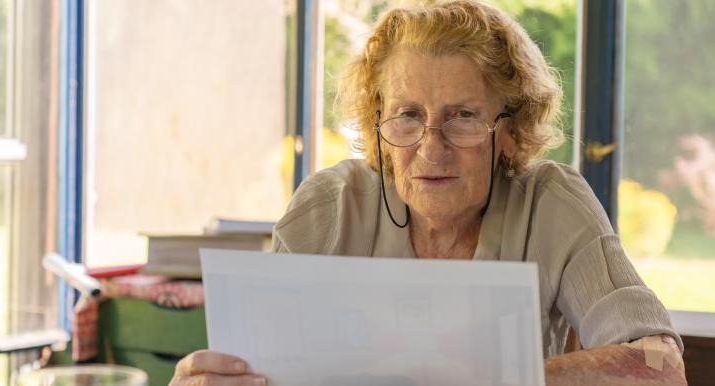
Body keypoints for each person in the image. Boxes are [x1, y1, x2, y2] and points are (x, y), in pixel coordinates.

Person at [171, 1, 686, 385]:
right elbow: (256, 364)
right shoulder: (330, 208)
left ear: (510, 129)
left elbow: (660, 367)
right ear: (377, 124)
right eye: (407, 116)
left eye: (463, 117)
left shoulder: (549, 204)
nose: (431, 147)